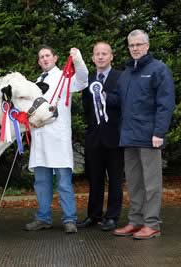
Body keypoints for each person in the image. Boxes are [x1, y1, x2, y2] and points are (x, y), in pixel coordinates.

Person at [108, 29, 175, 239]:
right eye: (131, 45)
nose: (135, 48)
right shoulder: (126, 73)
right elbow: (118, 101)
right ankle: (136, 221)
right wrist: (101, 94)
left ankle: (152, 223)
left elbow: (166, 104)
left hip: (149, 137)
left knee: (152, 184)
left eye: (138, 44)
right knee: (135, 182)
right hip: (129, 137)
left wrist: (159, 132)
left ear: (147, 46)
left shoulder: (159, 69)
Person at [25, 45, 88, 233]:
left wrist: (77, 59)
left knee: (63, 182)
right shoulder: (35, 83)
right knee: (41, 182)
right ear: (39, 61)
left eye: (47, 56)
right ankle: (43, 218)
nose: (44, 59)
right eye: (41, 57)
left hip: (58, 138)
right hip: (40, 139)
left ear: (55, 58)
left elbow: (83, 80)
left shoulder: (64, 77)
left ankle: (69, 219)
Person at [77, 42, 124, 231]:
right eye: (97, 54)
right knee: (94, 179)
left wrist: (105, 96)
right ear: (92, 58)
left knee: (115, 180)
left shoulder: (121, 77)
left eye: (105, 53)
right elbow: (86, 108)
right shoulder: (87, 80)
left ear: (111, 56)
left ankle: (112, 216)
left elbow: (122, 102)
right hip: (94, 138)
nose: (101, 57)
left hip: (115, 136)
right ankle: (93, 215)